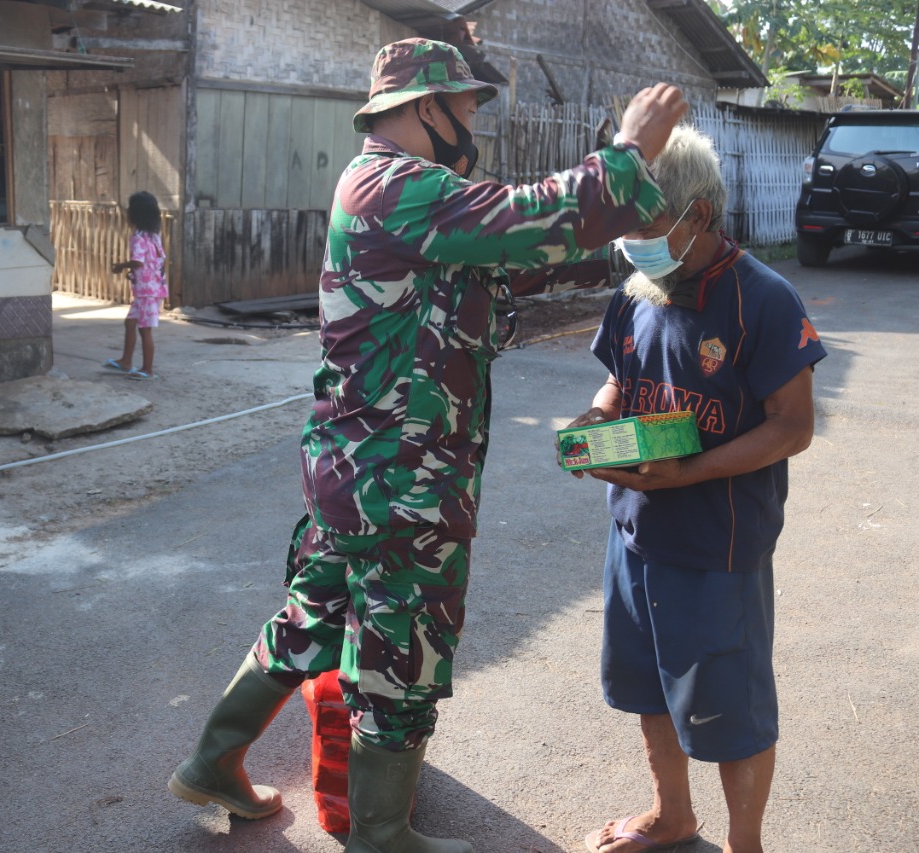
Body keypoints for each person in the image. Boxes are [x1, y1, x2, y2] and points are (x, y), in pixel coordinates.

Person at [168, 37, 688, 852]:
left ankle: (211, 761)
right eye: (467, 101)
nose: (477, 115)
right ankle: (380, 833)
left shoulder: (395, 190)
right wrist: (626, 153)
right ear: (423, 108)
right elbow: (527, 219)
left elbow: (505, 259)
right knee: (400, 652)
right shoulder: (398, 185)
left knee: (312, 617)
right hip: (401, 475)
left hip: (357, 464)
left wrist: (614, 239)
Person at [569, 126, 827, 853]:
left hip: (720, 544)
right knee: (648, 685)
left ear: (699, 218)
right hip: (635, 533)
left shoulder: (764, 300)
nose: (631, 242)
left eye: (644, 225)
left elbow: (791, 426)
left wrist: (688, 471)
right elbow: (619, 374)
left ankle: (746, 843)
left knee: (732, 709)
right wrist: (600, 416)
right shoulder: (635, 292)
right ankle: (673, 814)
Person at [103, 190, 167, 380]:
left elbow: (138, 261)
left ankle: (147, 369)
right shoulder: (153, 235)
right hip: (152, 287)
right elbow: (156, 260)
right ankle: (126, 361)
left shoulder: (138, 237)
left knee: (144, 329)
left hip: (147, 291)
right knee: (130, 323)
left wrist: (121, 266)